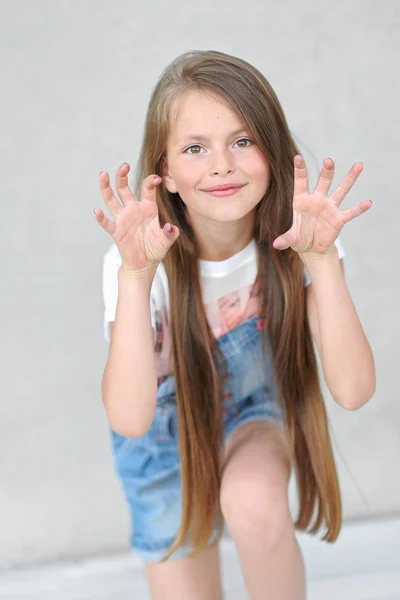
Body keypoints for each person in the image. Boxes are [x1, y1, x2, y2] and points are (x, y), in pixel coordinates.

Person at [94, 50, 376, 600]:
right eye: (195, 148)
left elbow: (354, 389)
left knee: (254, 501)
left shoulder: (302, 234)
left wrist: (321, 261)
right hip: (163, 442)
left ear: (272, 152)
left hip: (252, 412)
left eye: (242, 141)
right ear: (166, 173)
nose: (221, 164)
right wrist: (134, 276)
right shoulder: (135, 264)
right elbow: (130, 418)